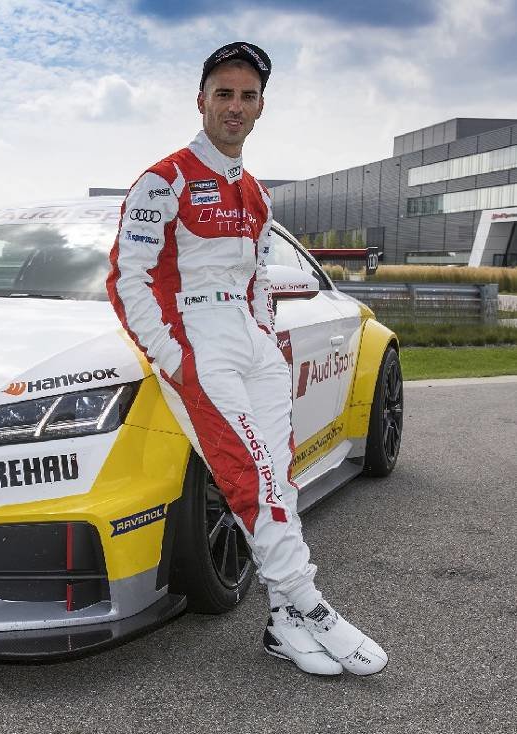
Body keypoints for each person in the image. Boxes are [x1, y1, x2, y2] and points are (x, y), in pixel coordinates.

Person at [106, 41, 388, 676]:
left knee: (277, 475)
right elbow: (128, 278)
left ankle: (284, 623)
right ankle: (310, 605)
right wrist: (174, 357)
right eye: (223, 94)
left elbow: (261, 276)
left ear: (261, 107)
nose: (235, 106)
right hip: (198, 345)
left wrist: (260, 331)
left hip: (252, 343)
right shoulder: (165, 178)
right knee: (249, 476)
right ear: (200, 100)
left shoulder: (253, 191)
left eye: (247, 96)